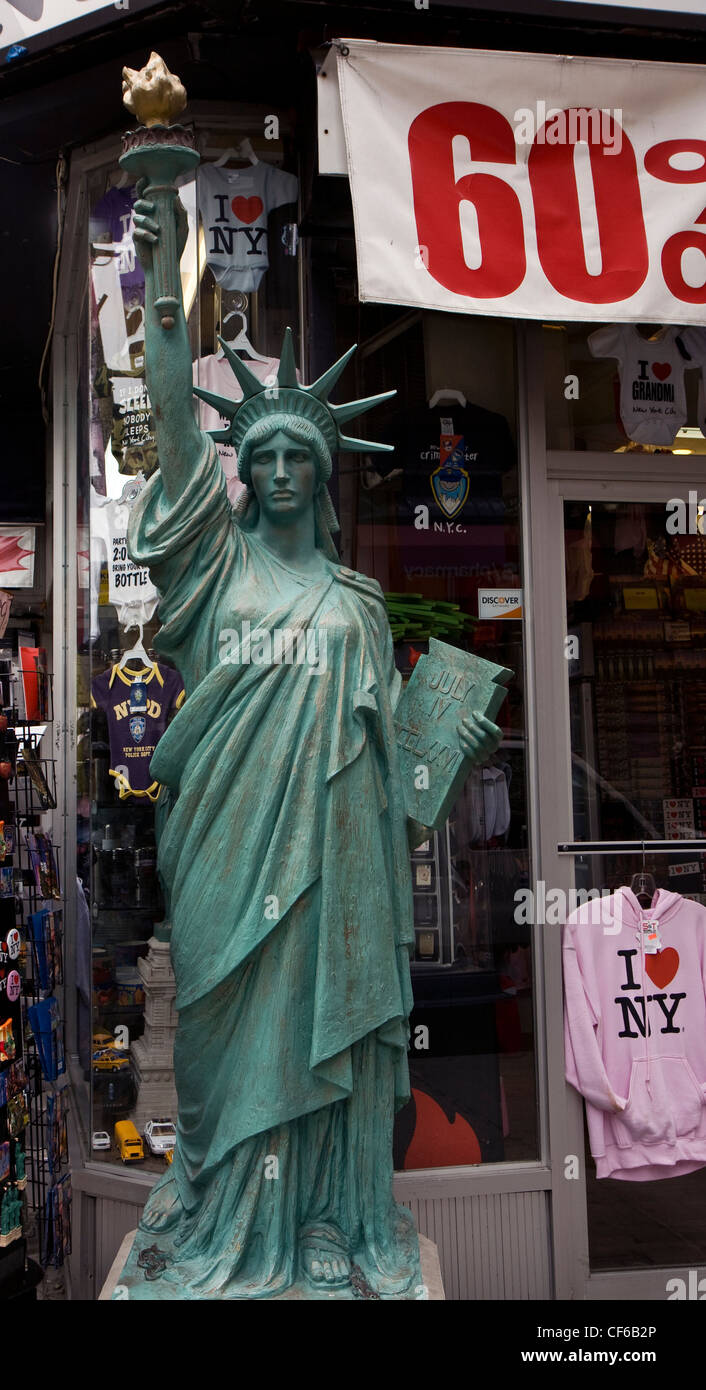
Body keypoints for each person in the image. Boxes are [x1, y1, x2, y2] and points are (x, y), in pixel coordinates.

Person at [124, 180, 500, 1299]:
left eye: (300, 454)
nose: (281, 469)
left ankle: (328, 1219)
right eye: (265, 454)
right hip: (223, 860)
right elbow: (168, 417)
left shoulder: (355, 602)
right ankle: (217, 1221)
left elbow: (390, 761)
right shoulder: (214, 568)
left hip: (334, 873)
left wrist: (444, 744)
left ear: (321, 472)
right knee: (215, 1044)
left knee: (321, 1040)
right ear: (246, 471)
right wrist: (162, 272)